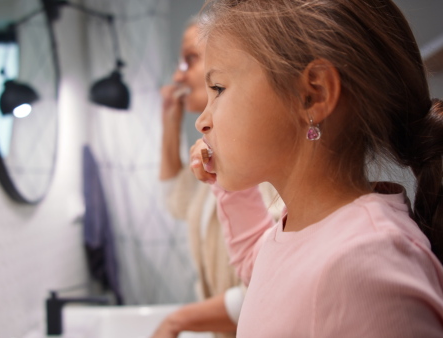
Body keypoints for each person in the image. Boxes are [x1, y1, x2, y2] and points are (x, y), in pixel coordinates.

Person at [188, 0, 443, 336]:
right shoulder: (308, 231)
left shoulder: (368, 263)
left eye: (218, 89)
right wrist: (223, 182)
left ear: (314, 94)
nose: (201, 122)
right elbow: (262, 262)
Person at [154, 17, 282, 338]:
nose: (177, 75)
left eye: (190, 59)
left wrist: (178, 320)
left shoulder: (254, 166)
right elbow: (176, 201)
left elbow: (268, 284)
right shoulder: (217, 159)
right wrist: (169, 123)